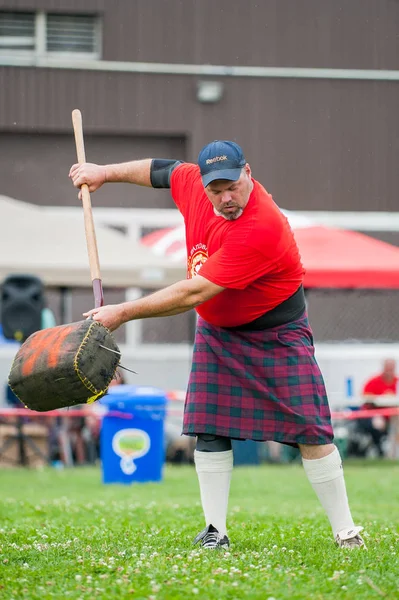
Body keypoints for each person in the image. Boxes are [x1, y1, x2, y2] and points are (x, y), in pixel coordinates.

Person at [69, 140, 365, 550]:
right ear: (204, 185)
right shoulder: (193, 182)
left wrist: (123, 312)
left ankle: (345, 530)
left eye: (233, 186)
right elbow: (162, 169)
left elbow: (195, 292)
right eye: (216, 190)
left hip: (277, 332)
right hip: (218, 331)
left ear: (248, 173)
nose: (226, 198)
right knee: (208, 428)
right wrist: (103, 172)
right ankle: (215, 530)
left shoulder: (262, 226)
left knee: (311, 430)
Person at [357, 359, 398, 457]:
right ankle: (380, 450)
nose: (389, 371)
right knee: (378, 423)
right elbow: (365, 397)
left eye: (391, 368)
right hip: (375, 414)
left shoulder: (397, 381)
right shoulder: (374, 381)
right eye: (387, 368)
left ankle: (392, 453)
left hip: (393, 416)